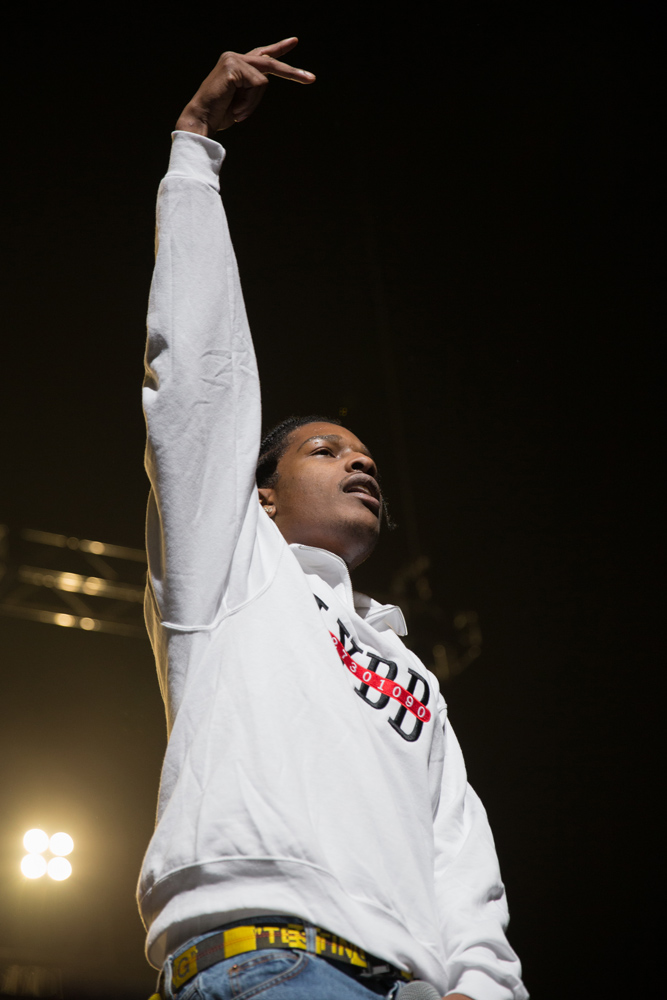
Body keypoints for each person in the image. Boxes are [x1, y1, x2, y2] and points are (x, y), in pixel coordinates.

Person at [138, 37, 529, 1000]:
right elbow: (197, 386)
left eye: (366, 454)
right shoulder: (230, 575)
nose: (360, 459)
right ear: (258, 492)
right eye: (325, 448)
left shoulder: (411, 675)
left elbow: (460, 861)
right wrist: (194, 153)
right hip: (275, 963)